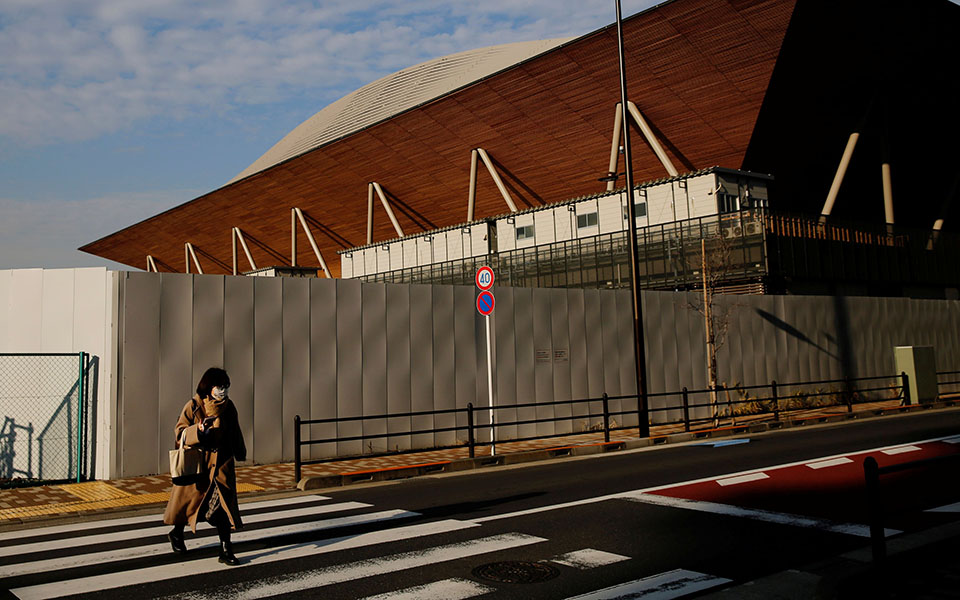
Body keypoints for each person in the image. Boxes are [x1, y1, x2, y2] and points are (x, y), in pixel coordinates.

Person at [163, 367, 247, 565]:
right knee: (191, 505)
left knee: (222, 507)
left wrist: (240, 451)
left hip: (221, 466)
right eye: (220, 386)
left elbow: (235, 431)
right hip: (199, 466)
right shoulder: (193, 405)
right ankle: (176, 533)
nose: (223, 391)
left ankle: (226, 549)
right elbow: (180, 432)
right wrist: (198, 432)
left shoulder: (229, 407)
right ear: (208, 387)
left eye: (226, 386)